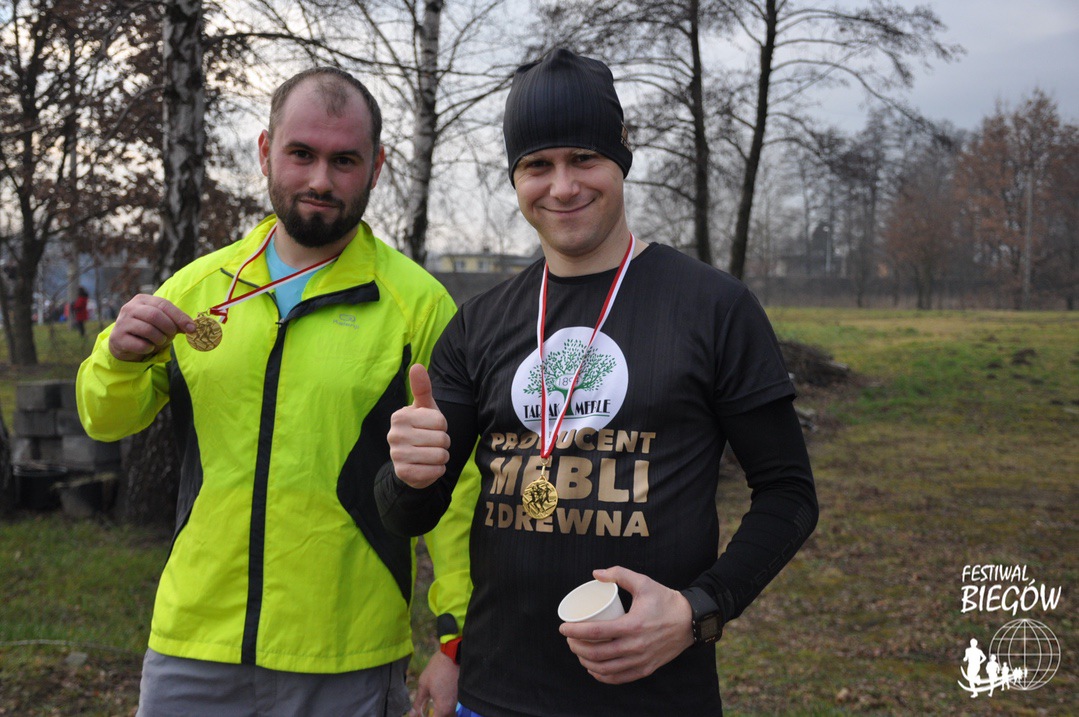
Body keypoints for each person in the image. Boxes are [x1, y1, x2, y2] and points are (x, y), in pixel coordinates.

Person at [376, 48, 819, 716]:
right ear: (515, 177)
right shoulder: (480, 323)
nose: (561, 187)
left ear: (621, 158)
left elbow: (788, 494)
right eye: (537, 165)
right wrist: (407, 476)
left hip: (656, 701)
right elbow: (410, 512)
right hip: (495, 697)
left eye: (582, 158)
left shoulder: (712, 307)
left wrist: (697, 609)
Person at [77, 67, 474, 717]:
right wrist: (115, 359)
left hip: (344, 653)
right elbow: (106, 420)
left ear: (376, 167)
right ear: (265, 151)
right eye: (301, 154)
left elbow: (459, 485)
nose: (320, 180)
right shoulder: (197, 289)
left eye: (344, 160)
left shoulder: (418, 306)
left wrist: (456, 638)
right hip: (193, 644)